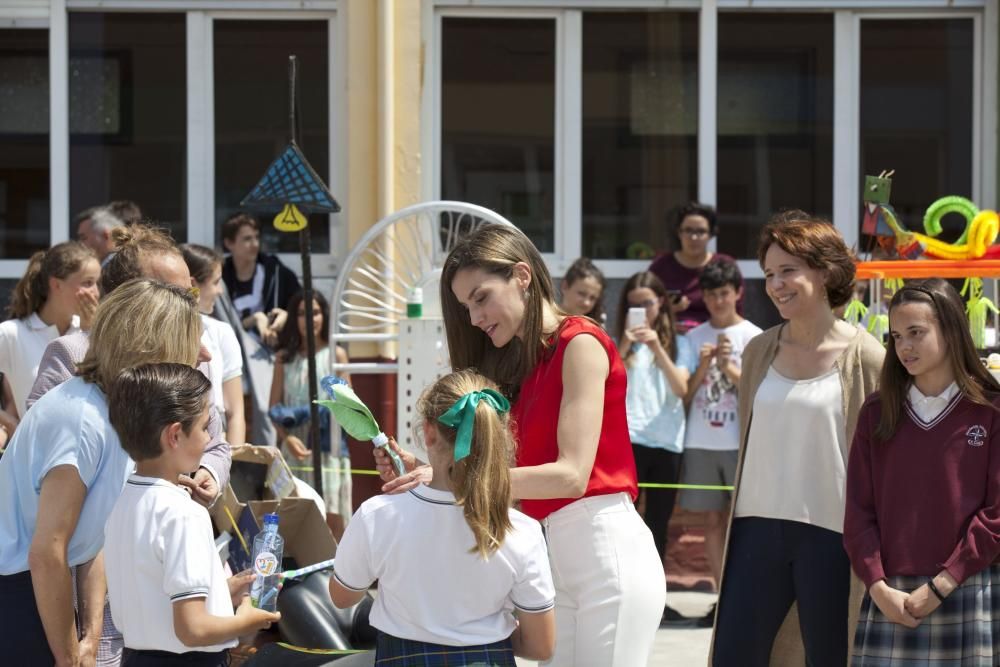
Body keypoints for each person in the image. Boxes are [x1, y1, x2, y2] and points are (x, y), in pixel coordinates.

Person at [376, 224, 665, 666]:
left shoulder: (580, 342)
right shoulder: (522, 362)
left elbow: (570, 476)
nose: (473, 318)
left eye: (480, 297)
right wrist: (424, 467)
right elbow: (499, 473)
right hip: (554, 560)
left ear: (522, 276)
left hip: (607, 556)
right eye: (464, 306)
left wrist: (449, 477)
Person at [711, 212, 885, 666]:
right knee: (733, 656)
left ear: (825, 271)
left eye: (789, 270)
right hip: (755, 528)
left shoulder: (868, 356)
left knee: (830, 656)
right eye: (769, 273)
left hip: (832, 536)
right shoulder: (759, 350)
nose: (776, 284)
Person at [0, 279, 204, 666]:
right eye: (191, 345)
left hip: (35, 590)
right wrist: (67, 656)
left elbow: (90, 539)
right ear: (156, 348)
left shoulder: (112, 413)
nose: (201, 354)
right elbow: (48, 552)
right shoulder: (80, 417)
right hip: (17, 594)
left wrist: (90, 637)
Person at [330, 370, 555, 664]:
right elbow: (541, 646)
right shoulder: (521, 530)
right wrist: (482, 635)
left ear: (428, 433)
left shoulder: (377, 515)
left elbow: (342, 597)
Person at [844, 279, 1000, 666]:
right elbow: (858, 510)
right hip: (893, 596)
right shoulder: (877, 413)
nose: (904, 347)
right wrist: (877, 587)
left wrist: (944, 583)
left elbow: (997, 512)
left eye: (916, 332)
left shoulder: (990, 410)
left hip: (969, 586)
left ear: (950, 329)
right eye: (896, 336)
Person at [105, 363, 279, 666]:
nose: (208, 440)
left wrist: (221, 593)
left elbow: (157, 598)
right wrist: (247, 619)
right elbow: (192, 629)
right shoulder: (184, 513)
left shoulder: (123, 501)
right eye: (203, 428)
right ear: (174, 435)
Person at [679, 258, 761, 627]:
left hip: (741, 441)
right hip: (700, 440)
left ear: (737, 293)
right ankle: (720, 597)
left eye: (723, 294)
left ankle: (746, 595)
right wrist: (702, 366)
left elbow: (762, 393)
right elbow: (683, 395)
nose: (717, 301)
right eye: (710, 295)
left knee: (744, 522)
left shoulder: (755, 336)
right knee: (710, 522)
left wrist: (729, 366)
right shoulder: (693, 337)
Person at [614, 271, 694, 622]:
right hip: (627, 439)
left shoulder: (681, 342)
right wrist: (627, 344)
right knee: (622, 521)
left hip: (666, 441)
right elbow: (603, 378)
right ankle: (624, 597)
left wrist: (656, 345)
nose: (641, 310)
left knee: (658, 522)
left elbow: (681, 388)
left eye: (647, 303)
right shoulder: (616, 342)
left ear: (661, 302)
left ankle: (656, 601)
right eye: (634, 305)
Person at [269, 291, 352, 538]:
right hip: (295, 447)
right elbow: (274, 407)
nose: (309, 319)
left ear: (323, 315)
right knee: (297, 520)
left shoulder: (336, 355)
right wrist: (287, 439)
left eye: (314, 312)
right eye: (302, 313)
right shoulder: (284, 358)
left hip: (327, 448)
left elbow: (349, 406)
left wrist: (320, 412)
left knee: (333, 520)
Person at [0, 241, 100, 417]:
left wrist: (91, 333)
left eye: (97, 283)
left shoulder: (91, 331)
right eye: (88, 283)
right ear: (56, 285)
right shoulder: (12, 333)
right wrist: (8, 424)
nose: (96, 292)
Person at [182, 243, 246, 448]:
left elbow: (235, 412)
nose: (220, 291)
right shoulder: (159, 332)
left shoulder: (221, 332)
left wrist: (231, 460)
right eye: (216, 282)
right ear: (193, 285)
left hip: (216, 442)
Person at [648, 202, 741, 333]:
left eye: (701, 231)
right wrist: (668, 310)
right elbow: (645, 309)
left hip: (714, 338)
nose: (694, 237)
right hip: (670, 339)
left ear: (711, 234)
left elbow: (737, 311)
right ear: (679, 233)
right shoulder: (660, 267)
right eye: (688, 230)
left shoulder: (724, 265)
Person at [221, 213, 301, 347]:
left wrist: (287, 316)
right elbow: (214, 323)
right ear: (229, 243)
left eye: (257, 237)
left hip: (274, 354)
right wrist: (253, 320)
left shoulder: (277, 272)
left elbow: (303, 306)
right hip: (232, 352)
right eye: (247, 239)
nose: (255, 244)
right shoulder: (219, 277)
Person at [559, 257, 607, 325]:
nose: (586, 303)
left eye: (592, 298)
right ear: (565, 286)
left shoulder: (595, 328)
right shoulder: (545, 322)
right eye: (582, 294)